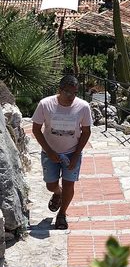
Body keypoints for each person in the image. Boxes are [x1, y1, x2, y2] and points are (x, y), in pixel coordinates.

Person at [30, 71, 93, 231]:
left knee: (69, 184)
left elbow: (86, 132)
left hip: (72, 152)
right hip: (50, 152)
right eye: (67, 91)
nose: (71, 96)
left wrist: (76, 155)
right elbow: (36, 129)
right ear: (59, 90)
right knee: (50, 185)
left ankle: (62, 214)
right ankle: (57, 193)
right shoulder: (45, 104)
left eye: (75, 92)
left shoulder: (83, 107)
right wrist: (49, 151)